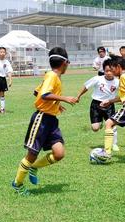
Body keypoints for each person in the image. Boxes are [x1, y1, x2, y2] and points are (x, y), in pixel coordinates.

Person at [11, 47, 78, 195]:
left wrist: (56, 104)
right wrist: (64, 99)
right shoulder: (52, 76)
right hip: (41, 119)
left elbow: (37, 91)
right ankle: (17, 183)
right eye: (68, 62)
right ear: (64, 62)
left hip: (51, 120)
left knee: (59, 153)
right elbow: (44, 94)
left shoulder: (54, 76)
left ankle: (34, 167)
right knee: (32, 154)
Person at [77, 59, 120, 152]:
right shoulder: (97, 79)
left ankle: (114, 144)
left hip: (109, 105)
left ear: (115, 70)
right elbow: (86, 86)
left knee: (112, 125)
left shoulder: (117, 82)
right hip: (96, 105)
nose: (108, 73)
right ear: (103, 70)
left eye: (111, 71)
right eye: (106, 71)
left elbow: (124, 92)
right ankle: (99, 124)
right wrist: (78, 96)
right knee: (95, 128)